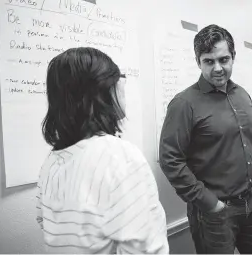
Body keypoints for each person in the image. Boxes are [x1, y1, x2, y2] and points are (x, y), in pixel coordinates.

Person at [159, 24, 252, 254]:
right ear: (197, 61)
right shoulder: (184, 104)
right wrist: (210, 202)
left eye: (223, 59)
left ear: (233, 57)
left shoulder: (242, 95)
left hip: (251, 200)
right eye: (209, 61)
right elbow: (170, 160)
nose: (218, 68)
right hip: (214, 213)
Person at [36, 47, 169, 254]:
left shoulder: (51, 161)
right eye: (118, 80)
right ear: (101, 92)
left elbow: (43, 220)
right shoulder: (121, 158)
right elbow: (146, 249)